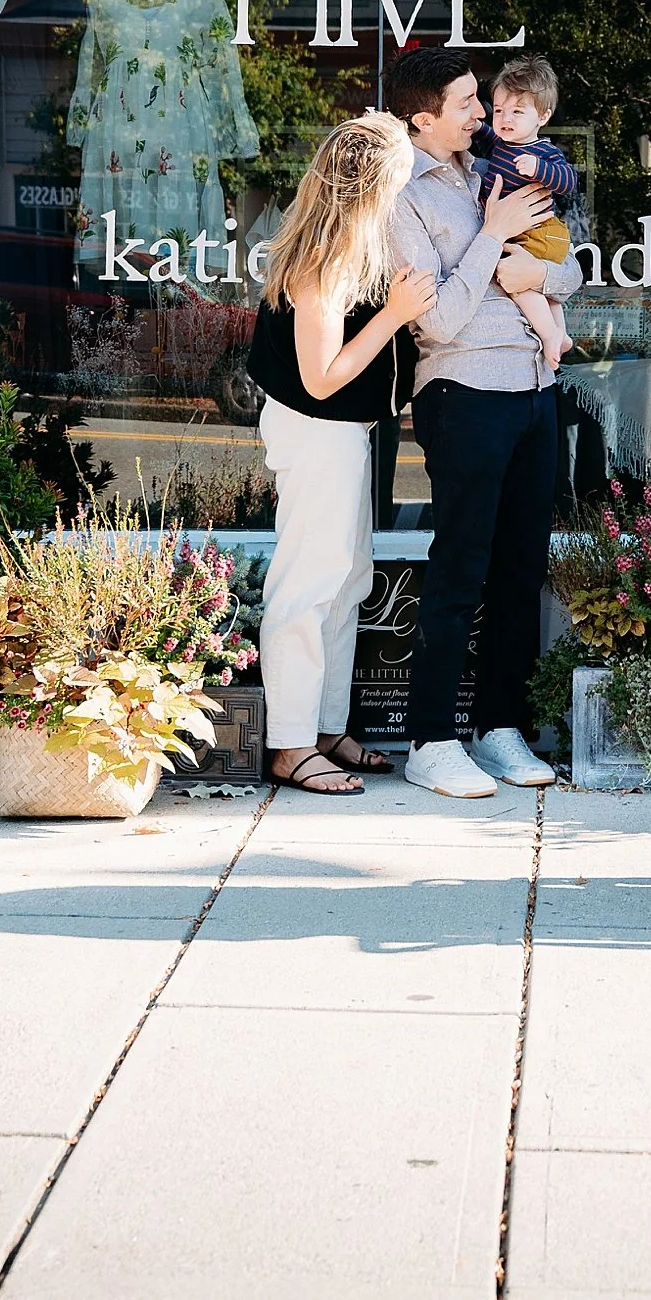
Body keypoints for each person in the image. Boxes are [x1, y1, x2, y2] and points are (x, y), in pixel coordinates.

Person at [386, 44, 583, 799]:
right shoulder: (403, 196)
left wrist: (540, 272)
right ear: (422, 116)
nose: (481, 112)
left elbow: (568, 265)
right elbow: (433, 322)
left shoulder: (499, 166)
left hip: (534, 385)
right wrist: (492, 235)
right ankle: (430, 738)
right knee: (460, 569)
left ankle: (498, 729)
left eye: (481, 100)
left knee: (520, 570)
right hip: (464, 389)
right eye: (467, 102)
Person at [247, 111, 437, 794]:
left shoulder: (347, 249)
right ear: (374, 186)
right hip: (316, 428)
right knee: (307, 586)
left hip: (342, 433)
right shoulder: (324, 262)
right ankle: (292, 745)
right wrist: (394, 313)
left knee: (347, 579)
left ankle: (325, 730)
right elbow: (320, 376)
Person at [469, 52, 578, 371]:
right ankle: (561, 333)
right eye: (500, 110)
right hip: (530, 233)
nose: (505, 119)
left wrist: (540, 169)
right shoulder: (502, 143)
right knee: (550, 294)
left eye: (517, 111)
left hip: (539, 233)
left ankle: (548, 337)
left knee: (520, 285)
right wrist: (477, 126)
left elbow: (569, 181)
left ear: (543, 116)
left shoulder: (543, 151)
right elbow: (488, 139)